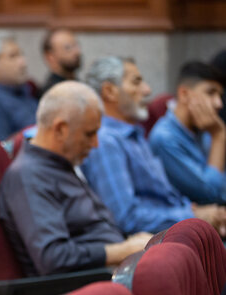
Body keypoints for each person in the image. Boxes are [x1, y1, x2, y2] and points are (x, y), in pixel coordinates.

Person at [0, 81, 151, 276]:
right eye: (89, 134)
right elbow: (53, 258)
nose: (95, 144)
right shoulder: (28, 175)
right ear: (61, 129)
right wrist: (122, 250)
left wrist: (131, 243)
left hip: (110, 271)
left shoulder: (61, 161)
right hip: (79, 289)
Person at [82, 56, 226, 235]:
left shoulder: (134, 135)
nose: (147, 90)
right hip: (153, 245)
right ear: (110, 91)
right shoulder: (106, 141)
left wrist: (195, 212)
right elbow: (126, 218)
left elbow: (165, 199)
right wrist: (192, 216)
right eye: (136, 82)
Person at [149, 61, 225, 205]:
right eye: (210, 93)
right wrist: (219, 137)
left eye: (220, 95)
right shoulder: (165, 138)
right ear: (184, 94)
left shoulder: (204, 130)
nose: (218, 103)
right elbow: (210, 193)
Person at [41, 29, 82, 93]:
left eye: (76, 45)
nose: (77, 52)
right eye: (68, 47)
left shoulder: (79, 84)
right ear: (50, 57)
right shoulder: (52, 92)